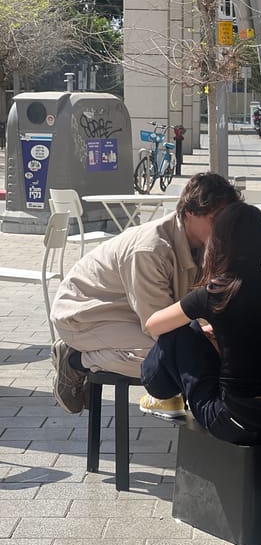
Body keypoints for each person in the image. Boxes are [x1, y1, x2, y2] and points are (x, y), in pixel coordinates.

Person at [50, 172, 240, 416]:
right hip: (83, 314)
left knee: (193, 351)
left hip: (130, 312)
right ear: (191, 212)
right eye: (216, 219)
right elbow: (157, 324)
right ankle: (75, 360)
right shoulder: (151, 250)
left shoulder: (205, 242)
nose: (223, 228)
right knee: (169, 359)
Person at [139, 201, 261, 443]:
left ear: (218, 244)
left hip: (236, 423)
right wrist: (219, 331)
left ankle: (161, 395)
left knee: (179, 332)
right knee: (197, 329)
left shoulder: (217, 292)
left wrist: (202, 324)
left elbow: (153, 325)